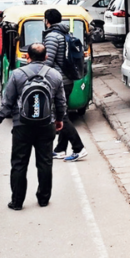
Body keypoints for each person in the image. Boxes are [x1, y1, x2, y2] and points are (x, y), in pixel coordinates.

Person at [0, 42, 67, 210]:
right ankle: (44, 199)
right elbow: (61, 102)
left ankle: (17, 202)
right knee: (45, 162)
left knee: (19, 163)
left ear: (27, 57)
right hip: (46, 124)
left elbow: (7, 101)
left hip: (21, 125)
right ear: (46, 57)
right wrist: (59, 119)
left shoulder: (17, 74)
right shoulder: (55, 75)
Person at [42, 8, 88, 162]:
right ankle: (60, 149)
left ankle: (79, 148)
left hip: (57, 80)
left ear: (47, 21)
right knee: (63, 112)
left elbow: (47, 62)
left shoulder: (52, 37)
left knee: (60, 115)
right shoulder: (66, 33)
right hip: (68, 79)